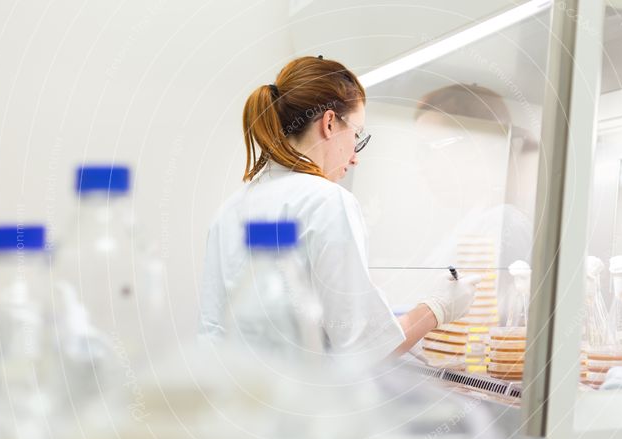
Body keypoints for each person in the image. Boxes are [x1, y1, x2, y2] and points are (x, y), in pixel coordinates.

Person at [198, 56, 480, 363]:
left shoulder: (231, 209)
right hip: (298, 406)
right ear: (330, 123)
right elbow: (364, 350)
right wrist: (437, 308)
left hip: (231, 402)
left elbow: (213, 331)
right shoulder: (327, 201)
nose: (355, 157)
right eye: (356, 135)